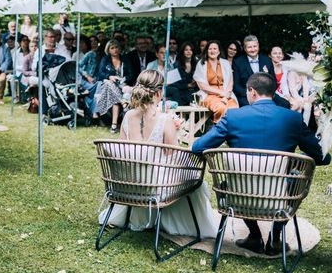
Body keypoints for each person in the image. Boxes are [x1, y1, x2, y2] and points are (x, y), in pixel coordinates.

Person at [192, 72, 330, 255]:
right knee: (295, 181)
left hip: (239, 194)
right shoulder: (293, 119)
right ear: (273, 93)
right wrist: (299, 161)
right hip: (279, 195)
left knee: (231, 182)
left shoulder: (232, 117)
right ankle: (275, 237)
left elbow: (198, 147)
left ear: (252, 91)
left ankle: (255, 235)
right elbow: (323, 157)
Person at [99, 69, 217, 238]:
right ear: (160, 92)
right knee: (194, 177)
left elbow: (123, 150)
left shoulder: (127, 116)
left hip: (128, 182)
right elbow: (173, 156)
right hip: (156, 187)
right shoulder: (165, 120)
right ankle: (181, 222)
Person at [232, 35, 286, 108]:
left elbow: (274, 82)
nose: (253, 49)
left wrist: (266, 95)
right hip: (247, 97)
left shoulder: (267, 60)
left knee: (285, 104)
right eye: (249, 47)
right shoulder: (237, 62)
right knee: (255, 109)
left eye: (255, 46)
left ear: (258, 46)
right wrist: (252, 94)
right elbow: (236, 86)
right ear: (245, 48)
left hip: (266, 96)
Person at [193, 40, 238, 123]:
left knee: (234, 109)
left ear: (219, 51)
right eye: (210, 49)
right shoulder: (201, 63)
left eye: (215, 48)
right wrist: (221, 93)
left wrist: (225, 96)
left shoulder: (225, 63)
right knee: (221, 108)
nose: (212, 51)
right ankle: (219, 131)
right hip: (209, 94)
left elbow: (230, 83)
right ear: (207, 51)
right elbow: (202, 86)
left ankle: (230, 134)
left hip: (226, 94)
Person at [95, 39, 134, 133]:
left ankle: (114, 125)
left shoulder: (125, 58)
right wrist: (109, 76)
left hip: (122, 84)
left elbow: (131, 74)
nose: (115, 50)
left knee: (114, 98)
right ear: (108, 50)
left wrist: (124, 78)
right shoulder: (105, 59)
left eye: (117, 47)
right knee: (109, 83)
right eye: (112, 48)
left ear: (120, 49)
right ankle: (123, 102)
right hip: (108, 85)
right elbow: (100, 74)